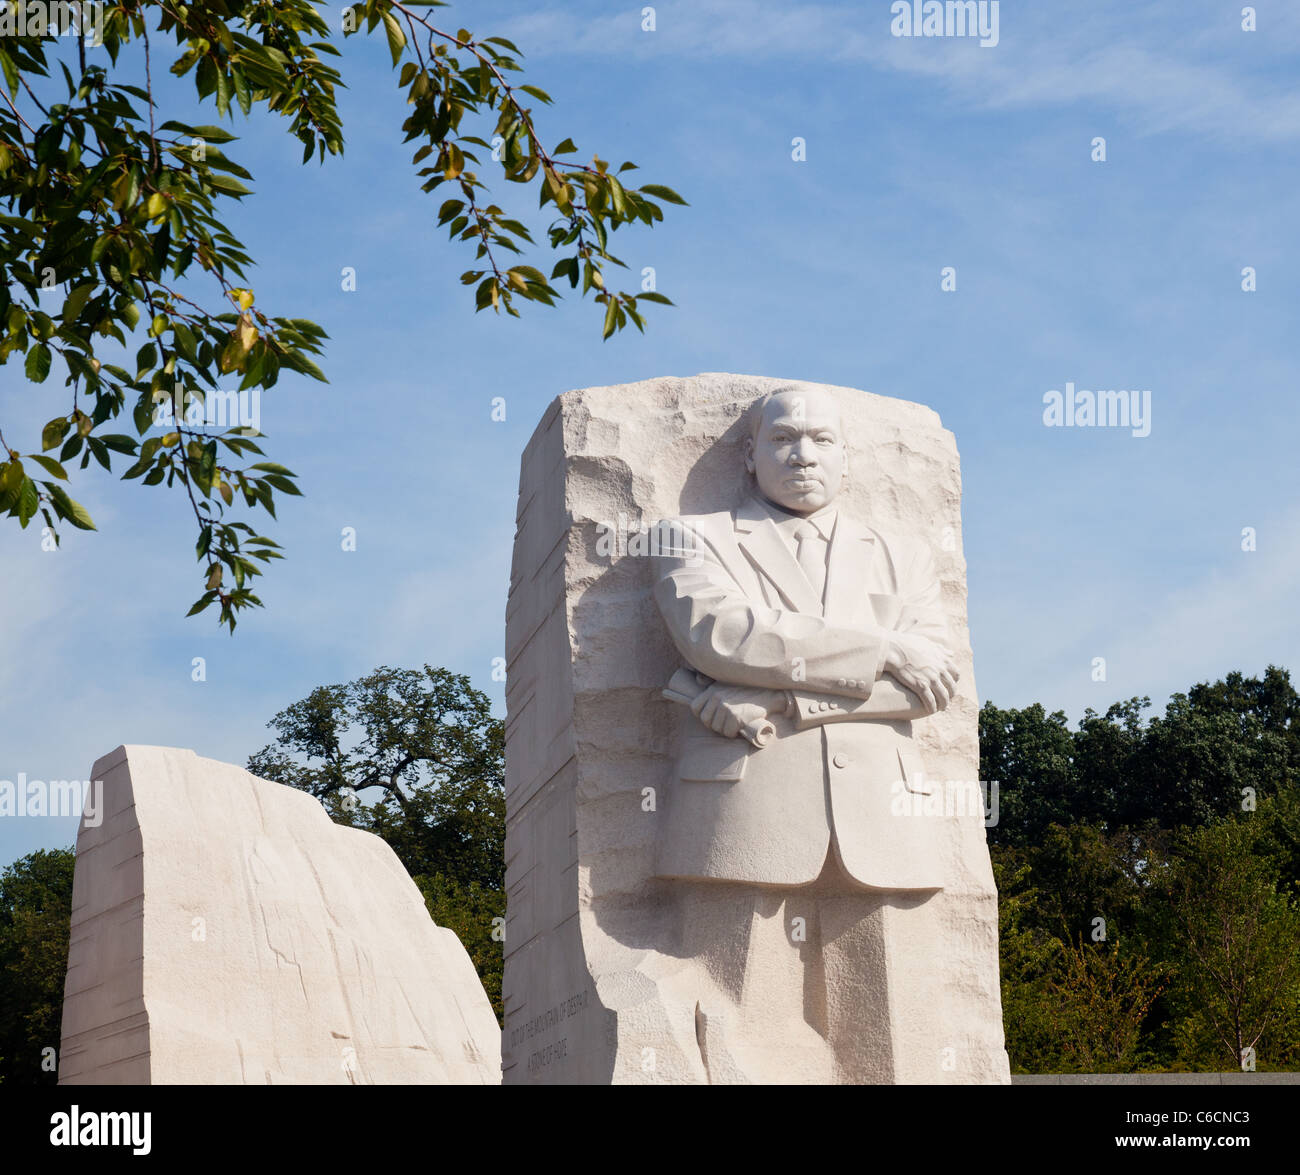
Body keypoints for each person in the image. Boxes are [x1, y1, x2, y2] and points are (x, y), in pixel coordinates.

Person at [651, 383, 963, 1081]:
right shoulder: (689, 537)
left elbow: (931, 683)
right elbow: (723, 635)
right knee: (738, 1035)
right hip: (744, 808)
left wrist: (792, 700)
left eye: (823, 440)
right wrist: (880, 649)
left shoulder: (901, 553)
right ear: (749, 456)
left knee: (901, 1048)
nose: (804, 453)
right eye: (785, 437)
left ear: (847, 460)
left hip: (886, 819)